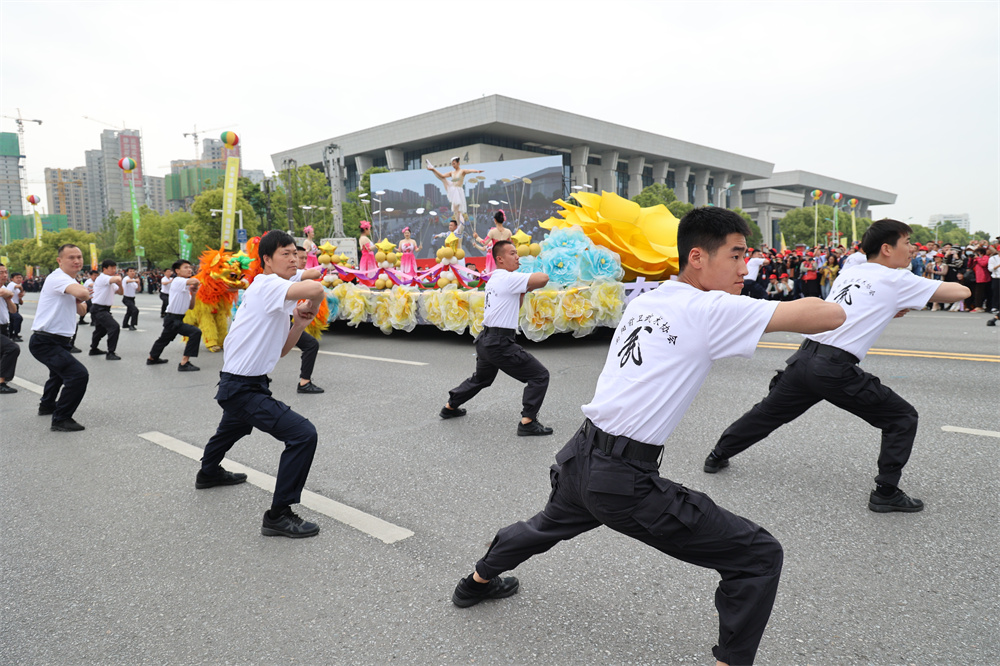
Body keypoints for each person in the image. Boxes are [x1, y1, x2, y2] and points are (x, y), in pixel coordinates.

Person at [450, 208, 847, 666]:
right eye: (736, 255)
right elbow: (825, 314)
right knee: (757, 555)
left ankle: (475, 582)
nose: (745, 268)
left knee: (543, 528)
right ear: (697, 257)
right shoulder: (707, 308)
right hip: (623, 479)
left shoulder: (650, 300)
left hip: (581, 458)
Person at [705, 219, 972, 513]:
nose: (911, 249)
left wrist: (888, 307)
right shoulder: (898, 279)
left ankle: (718, 454)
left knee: (768, 413)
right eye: (907, 243)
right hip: (834, 368)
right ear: (886, 248)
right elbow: (961, 293)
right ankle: (886, 492)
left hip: (804, 359)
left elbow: (859, 300)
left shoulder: (853, 270)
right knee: (902, 417)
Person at [198, 230, 326, 538]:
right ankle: (278, 515)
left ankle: (208, 472)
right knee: (303, 435)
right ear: (266, 260)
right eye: (285, 254)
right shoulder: (268, 284)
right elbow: (316, 285)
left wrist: (300, 322)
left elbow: (281, 350)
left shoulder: (275, 295)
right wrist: (316, 296)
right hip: (241, 387)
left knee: (235, 426)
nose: (293, 258)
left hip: (245, 385)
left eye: (296, 253)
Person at [441, 240, 553, 436]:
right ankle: (528, 422)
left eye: (517, 252)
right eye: (512, 253)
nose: (517, 256)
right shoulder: (508, 278)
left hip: (487, 340)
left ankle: (450, 406)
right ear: (500, 259)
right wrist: (528, 275)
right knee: (539, 375)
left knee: (482, 379)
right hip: (500, 343)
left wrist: (523, 289)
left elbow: (514, 305)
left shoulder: (495, 279)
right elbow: (543, 278)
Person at [29, 244, 92, 431]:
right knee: (78, 375)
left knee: (57, 375)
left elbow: (81, 310)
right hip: (45, 340)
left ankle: (47, 405)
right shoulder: (58, 278)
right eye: (71, 257)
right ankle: (61, 419)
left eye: (79, 257)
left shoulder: (70, 281)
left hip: (60, 340)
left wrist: (81, 298)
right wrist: (84, 293)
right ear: (59, 260)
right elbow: (83, 294)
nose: (77, 261)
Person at [147, 259, 202, 371]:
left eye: (190, 267)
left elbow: (191, 306)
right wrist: (195, 283)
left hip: (176, 318)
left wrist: (194, 293)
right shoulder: (178, 281)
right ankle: (184, 363)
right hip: (172, 318)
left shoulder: (185, 286)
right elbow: (196, 281)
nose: (189, 269)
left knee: (164, 339)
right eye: (185, 267)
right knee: (195, 332)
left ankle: (152, 358)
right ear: (177, 270)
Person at [290, 245, 325, 394]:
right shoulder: (293, 274)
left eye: (306, 258)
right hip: (276, 320)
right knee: (311, 345)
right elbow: (315, 274)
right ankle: (304, 382)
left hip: (281, 319)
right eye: (301, 257)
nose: (304, 260)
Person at [427, 156, 484, 234]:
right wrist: (433, 170)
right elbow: (442, 176)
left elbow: (469, 170)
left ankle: (460, 226)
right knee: (443, 179)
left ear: (458, 163)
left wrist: (476, 171)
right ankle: (432, 168)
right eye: (452, 164)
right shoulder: (452, 172)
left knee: (458, 211)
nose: (453, 165)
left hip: (458, 190)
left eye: (454, 163)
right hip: (452, 188)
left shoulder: (462, 171)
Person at [88, 259, 123, 361]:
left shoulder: (110, 280)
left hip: (104, 309)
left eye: (115, 268)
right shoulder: (103, 278)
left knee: (100, 330)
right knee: (114, 327)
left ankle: (93, 349)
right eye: (112, 268)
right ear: (104, 269)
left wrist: (120, 284)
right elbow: (116, 279)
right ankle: (110, 352)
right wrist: (118, 278)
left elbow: (120, 292)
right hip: (99, 308)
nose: (114, 270)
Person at [0, 265, 20, 394]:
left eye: (6, 272)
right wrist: (9, 293)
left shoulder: (4, 289)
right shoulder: (4, 290)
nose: (4, 275)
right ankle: (1, 382)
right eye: (1, 272)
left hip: (3, 326)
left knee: (2, 353)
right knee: (12, 348)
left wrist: (9, 299)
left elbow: (13, 310)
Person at [473, 210, 513, 275]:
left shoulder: (492, 231)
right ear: (503, 220)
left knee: (494, 275)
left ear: (495, 220)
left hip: (495, 257)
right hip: (505, 256)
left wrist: (477, 237)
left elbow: (484, 242)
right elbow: (512, 243)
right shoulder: (508, 231)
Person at [4, 271, 24, 341]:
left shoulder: (18, 288)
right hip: (9, 306)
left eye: (20, 277)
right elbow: (18, 286)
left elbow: (21, 302)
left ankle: (11, 334)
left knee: (13, 321)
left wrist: (20, 297)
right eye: (17, 278)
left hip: (16, 306)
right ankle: (15, 335)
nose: (19, 279)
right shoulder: (11, 284)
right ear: (12, 279)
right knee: (18, 318)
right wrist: (21, 291)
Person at [121, 266, 140, 331]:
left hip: (132, 299)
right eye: (130, 271)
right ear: (127, 273)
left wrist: (138, 283)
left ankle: (125, 324)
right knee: (135, 310)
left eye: (133, 271)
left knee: (129, 312)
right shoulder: (126, 278)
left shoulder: (134, 282)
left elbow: (138, 289)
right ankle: (132, 325)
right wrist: (135, 280)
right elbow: (128, 281)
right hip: (126, 298)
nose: (132, 272)